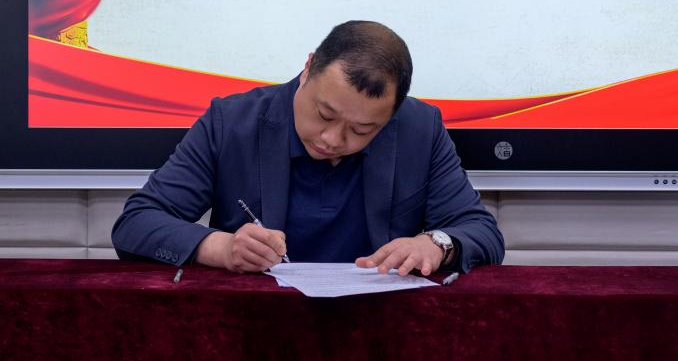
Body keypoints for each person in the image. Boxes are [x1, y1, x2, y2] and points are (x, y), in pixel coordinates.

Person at [113, 21, 504, 275]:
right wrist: (222, 247)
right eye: (324, 114)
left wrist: (435, 244)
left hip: (378, 326)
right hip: (249, 325)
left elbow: (481, 231)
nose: (332, 139)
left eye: (362, 129)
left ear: (392, 115)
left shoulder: (420, 129)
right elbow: (137, 222)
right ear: (308, 69)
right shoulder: (231, 122)